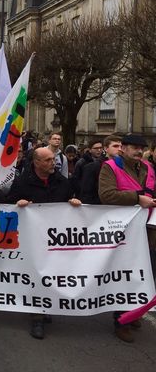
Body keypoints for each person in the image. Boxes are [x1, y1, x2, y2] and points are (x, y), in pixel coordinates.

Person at [7, 147, 81, 340]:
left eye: (53, 159)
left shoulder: (63, 182)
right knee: (37, 275)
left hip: (55, 239)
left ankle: (46, 306)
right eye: (48, 160)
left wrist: (73, 203)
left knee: (52, 275)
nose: (53, 163)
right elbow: (8, 204)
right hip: (33, 240)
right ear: (36, 162)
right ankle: (37, 317)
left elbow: (69, 201)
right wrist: (19, 203)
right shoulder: (23, 182)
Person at [98, 134, 156, 343]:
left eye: (142, 148)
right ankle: (120, 319)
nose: (139, 151)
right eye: (134, 147)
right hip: (123, 232)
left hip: (148, 230)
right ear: (123, 148)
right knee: (124, 276)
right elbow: (106, 195)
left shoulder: (148, 168)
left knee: (146, 273)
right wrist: (136, 198)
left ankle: (133, 311)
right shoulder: (111, 167)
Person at [79, 136, 121, 204]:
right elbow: (86, 195)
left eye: (121, 147)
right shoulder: (92, 167)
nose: (119, 149)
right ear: (106, 148)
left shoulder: (124, 167)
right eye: (115, 146)